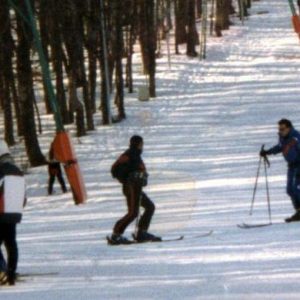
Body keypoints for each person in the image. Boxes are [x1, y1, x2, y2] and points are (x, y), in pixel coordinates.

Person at [109, 135, 160, 245]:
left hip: (137, 188)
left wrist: (142, 176)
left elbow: (139, 171)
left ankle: (141, 232)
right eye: (142, 143)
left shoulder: (136, 155)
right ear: (138, 144)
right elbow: (114, 169)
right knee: (133, 213)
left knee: (150, 207)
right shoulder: (129, 154)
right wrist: (129, 178)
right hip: (131, 188)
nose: (142, 146)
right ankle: (116, 235)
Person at [260, 119, 300, 222]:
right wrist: (268, 152)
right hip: (291, 166)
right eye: (279, 129)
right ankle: (299, 211)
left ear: (289, 128)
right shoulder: (283, 138)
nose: (280, 131)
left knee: (295, 189)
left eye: (282, 129)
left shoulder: (296, 137)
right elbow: (280, 147)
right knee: (289, 190)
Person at [0, 153, 26, 286]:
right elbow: (24, 197)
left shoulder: (1, 171)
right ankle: (11, 273)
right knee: (11, 244)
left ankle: (2, 271)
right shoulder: (20, 174)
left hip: (1, 212)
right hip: (14, 214)